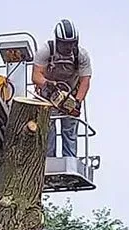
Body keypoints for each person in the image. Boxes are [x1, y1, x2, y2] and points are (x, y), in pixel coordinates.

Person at [32, 19, 92, 158]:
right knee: (48, 131)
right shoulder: (46, 51)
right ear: (58, 41)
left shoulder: (81, 55)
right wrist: (48, 84)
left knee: (70, 131)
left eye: (71, 44)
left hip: (71, 95)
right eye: (65, 44)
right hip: (48, 97)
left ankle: (69, 160)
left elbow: (85, 81)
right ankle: (48, 161)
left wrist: (76, 102)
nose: (68, 47)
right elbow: (36, 76)